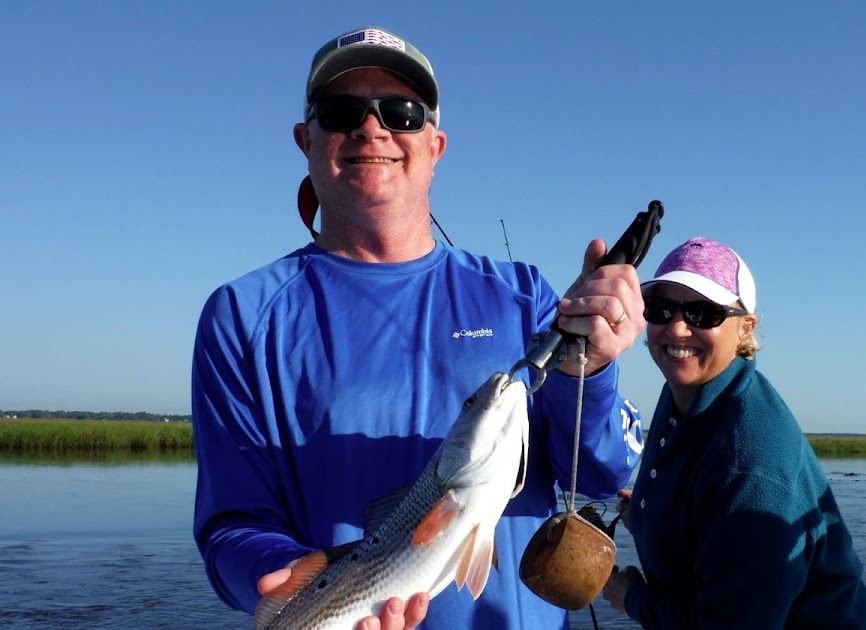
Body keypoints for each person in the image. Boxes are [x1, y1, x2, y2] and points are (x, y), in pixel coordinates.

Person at [191, 26, 645, 630]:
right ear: (306, 140)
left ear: (436, 146)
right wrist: (286, 575)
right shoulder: (242, 316)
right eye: (341, 111)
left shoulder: (525, 296)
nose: (372, 128)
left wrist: (590, 369)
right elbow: (230, 525)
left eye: (402, 114)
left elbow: (600, 473)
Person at [600, 237, 866, 628]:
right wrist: (648, 513)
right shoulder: (686, 393)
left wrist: (630, 597)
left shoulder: (750, 465)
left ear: (746, 329)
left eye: (703, 313)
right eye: (661, 309)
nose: (677, 328)